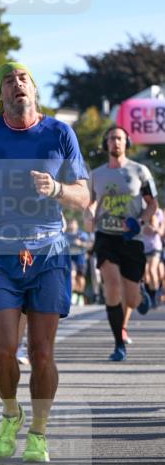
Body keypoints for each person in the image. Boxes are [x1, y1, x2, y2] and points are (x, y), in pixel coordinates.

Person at [0, 62, 90, 463]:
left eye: (23, 79)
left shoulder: (59, 134)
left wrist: (58, 189)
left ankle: (38, 432)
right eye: (8, 81)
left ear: (33, 89)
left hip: (48, 253)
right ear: (0, 95)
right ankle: (11, 412)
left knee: (41, 353)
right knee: (1, 352)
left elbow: (83, 195)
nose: (17, 85)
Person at [84, 127, 158, 361]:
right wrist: (89, 213)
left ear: (127, 142)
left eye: (119, 138)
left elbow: (152, 204)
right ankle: (118, 343)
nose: (115, 142)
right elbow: (90, 203)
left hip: (131, 239)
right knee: (112, 286)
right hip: (106, 237)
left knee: (131, 299)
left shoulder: (140, 171)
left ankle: (140, 293)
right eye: (111, 138)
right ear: (105, 143)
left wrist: (140, 221)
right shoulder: (96, 174)